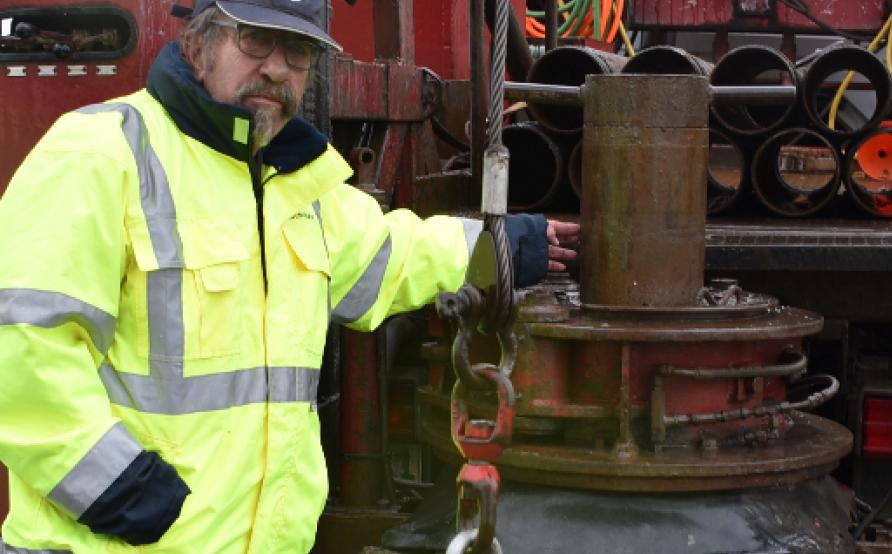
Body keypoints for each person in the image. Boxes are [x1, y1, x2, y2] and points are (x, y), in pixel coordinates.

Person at [0, 0, 579, 552]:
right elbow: (21, 348)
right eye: (256, 39)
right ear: (198, 43)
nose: (276, 68)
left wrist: (501, 249)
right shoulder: (100, 154)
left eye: (297, 51)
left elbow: (390, 256)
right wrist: (117, 488)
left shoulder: (297, 186)